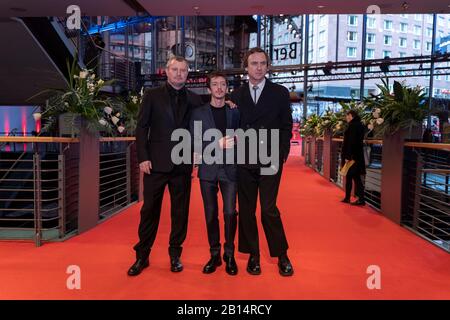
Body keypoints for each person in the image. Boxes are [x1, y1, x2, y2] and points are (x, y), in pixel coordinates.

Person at [128, 56, 202, 276]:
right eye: (175, 69)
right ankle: (142, 256)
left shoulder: (194, 99)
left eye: (183, 70)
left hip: (182, 165)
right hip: (155, 164)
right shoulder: (152, 96)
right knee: (149, 211)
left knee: (180, 213)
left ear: (187, 73)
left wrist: (196, 158)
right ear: (166, 72)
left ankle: (175, 255)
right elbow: (142, 128)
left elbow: (199, 131)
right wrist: (142, 157)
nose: (179, 73)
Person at [230, 47, 294, 277]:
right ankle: (254, 255)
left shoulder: (279, 92)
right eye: (253, 63)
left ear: (268, 67)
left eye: (262, 63)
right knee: (246, 210)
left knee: (268, 209)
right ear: (246, 67)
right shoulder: (235, 95)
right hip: (244, 160)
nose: (258, 67)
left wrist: (282, 152)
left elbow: (287, 125)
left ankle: (282, 255)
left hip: (270, 159)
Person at [190, 71, 240, 275]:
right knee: (210, 214)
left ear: (226, 88)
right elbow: (193, 141)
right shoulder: (198, 113)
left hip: (230, 169)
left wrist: (238, 138)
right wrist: (215, 143)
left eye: (222, 84)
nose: (219, 88)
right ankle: (214, 254)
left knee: (230, 213)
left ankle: (230, 254)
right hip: (208, 169)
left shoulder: (234, 111)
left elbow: (243, 133)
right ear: (209, 88)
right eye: (215, 84)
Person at [341, 110, 366, 206]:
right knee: (353, 177)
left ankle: (360, 199)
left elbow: (351, 142)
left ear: (351, 116)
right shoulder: (359, 125)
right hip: (357, 155)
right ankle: (350, 198)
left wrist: (348, 156)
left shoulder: (353, 126)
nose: (346, 118)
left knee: (354, 177)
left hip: (352, 157)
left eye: (347, 116)